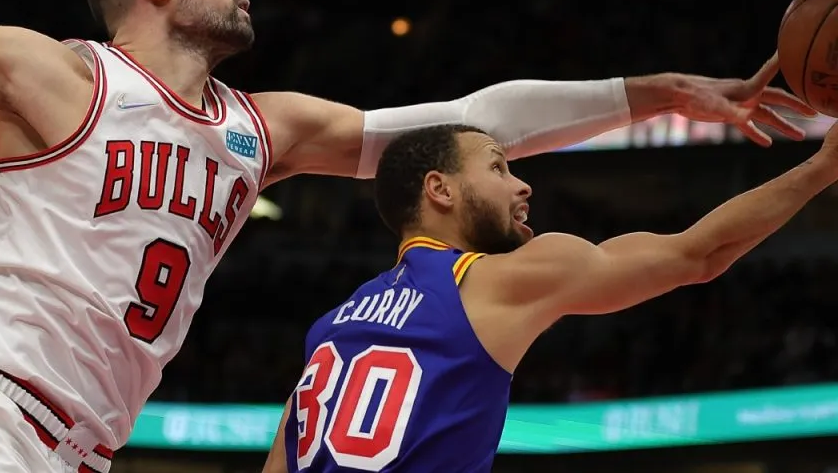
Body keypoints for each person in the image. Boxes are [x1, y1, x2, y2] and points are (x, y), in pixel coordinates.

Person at [0, 0, 815, 472]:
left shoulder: (265, 128)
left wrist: (653, 93)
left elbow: (471, 116)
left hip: (84, 448)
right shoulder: (56, 77)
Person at [260, 122, 838, 473]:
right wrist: (822, 167)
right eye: (497, 166)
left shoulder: (331, 327)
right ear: (440, 189)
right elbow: (700, 255)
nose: (522, 184)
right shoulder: (496, 278)